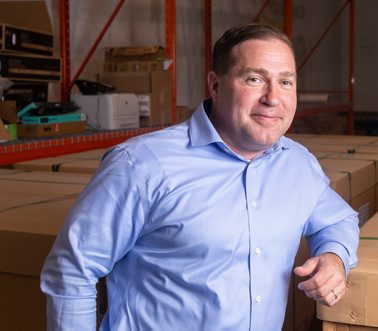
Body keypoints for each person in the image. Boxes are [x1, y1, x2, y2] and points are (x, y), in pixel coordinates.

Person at [40, 23, 359, 330]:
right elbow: (72, 270)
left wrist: (334, 256)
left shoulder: (298, 165)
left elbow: (338, 220)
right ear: (216, 85)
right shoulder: (142, 164)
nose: (273, 98)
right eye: (254, 79)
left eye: (286, 82)